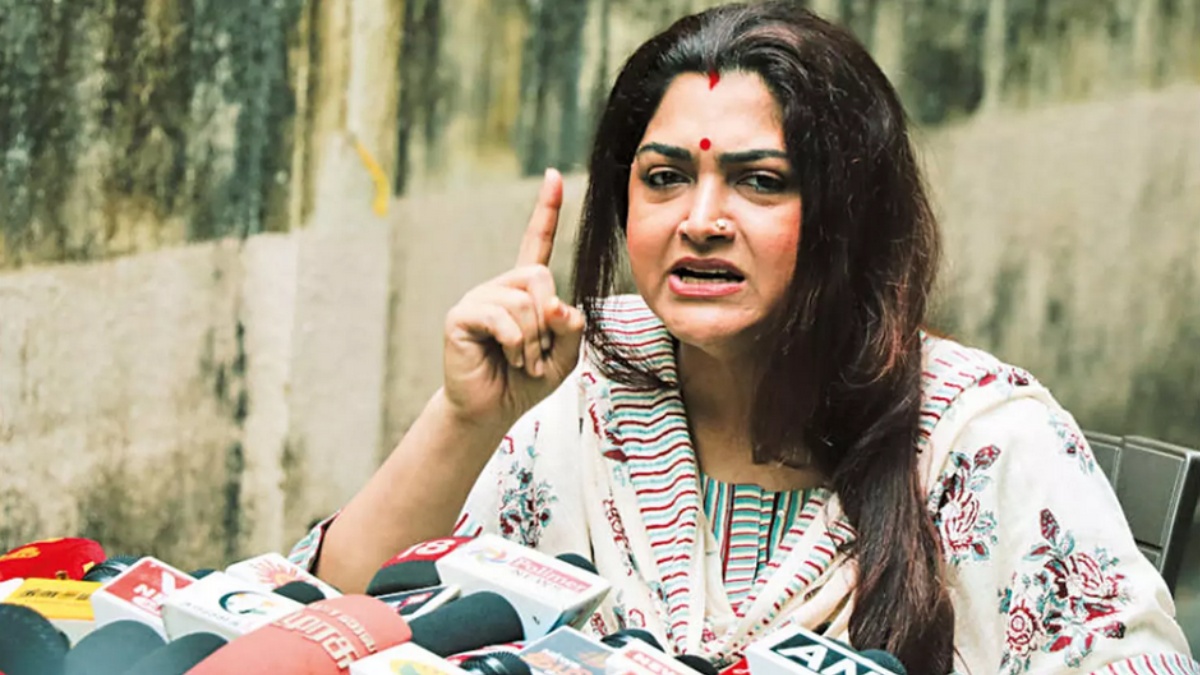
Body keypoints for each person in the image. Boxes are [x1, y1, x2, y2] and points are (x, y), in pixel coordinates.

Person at [289, 3, 1197, 673]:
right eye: (664, 177)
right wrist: (466, 417)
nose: (701, 220)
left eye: (760, 181)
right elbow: (330, 623)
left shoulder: (983, 440)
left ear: (846, 215)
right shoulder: (579, 388)